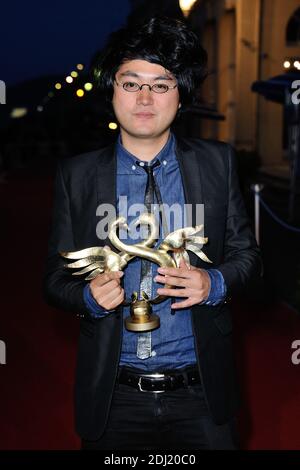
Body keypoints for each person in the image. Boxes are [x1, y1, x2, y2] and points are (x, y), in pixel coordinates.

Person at [43, 17, 261, 450]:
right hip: (114, 394)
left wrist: (212, 282)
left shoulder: (217, 164)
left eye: (161, 85)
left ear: (180, 96)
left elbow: (249, 259)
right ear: (112, 92)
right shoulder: (78, 175)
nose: (144, 97)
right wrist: (87, 298)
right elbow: (53, 278)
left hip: (201, 393)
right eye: (130, 83)